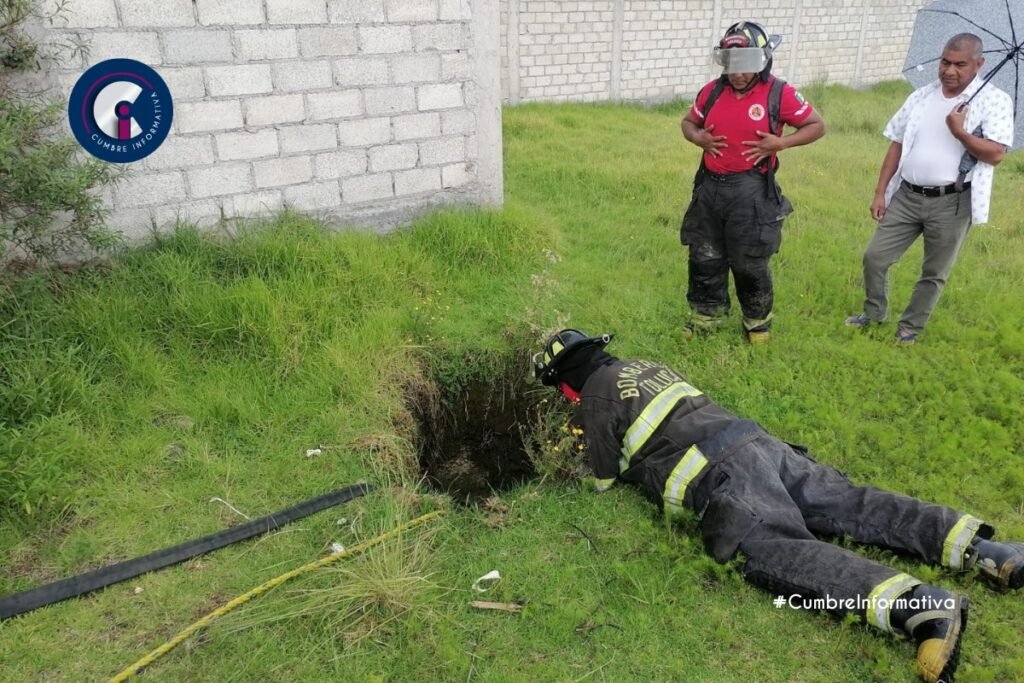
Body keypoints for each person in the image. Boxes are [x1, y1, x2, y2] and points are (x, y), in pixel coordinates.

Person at [533, 328, 1024, 683]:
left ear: (566, 380)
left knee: (769, 550)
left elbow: (601, 479)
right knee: (845, 501)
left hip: (721, 475)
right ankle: (987, 550)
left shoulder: (591, 399)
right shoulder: (645, 367)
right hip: (760, 444)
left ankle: (919, 607)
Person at [845, 33, 1014, 345]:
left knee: (933, 272)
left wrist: (959, 132)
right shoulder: (921, 96)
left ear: (979, 64)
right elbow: (896, 144)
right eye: (945, 62)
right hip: (907, 195)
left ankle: (910, 328)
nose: (949, 70)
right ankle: (874, 313)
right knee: (875, 257)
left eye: (960, 64)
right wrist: (880, 191)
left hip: (952, 203)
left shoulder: (995, 101)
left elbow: (996, 154)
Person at [680, 21, 825, 344]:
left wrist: (781, 144)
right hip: (709, 187)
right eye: (731, 65)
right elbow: (688, 122)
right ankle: (707, 317)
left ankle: (756, 323)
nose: (738, 73)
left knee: (749, 261)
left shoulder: (778, 93)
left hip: (751, 191)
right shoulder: (712, 91)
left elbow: (817, 125)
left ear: (761, 60)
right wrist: (698, 137)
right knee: (705, 255)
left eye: (744, 64)